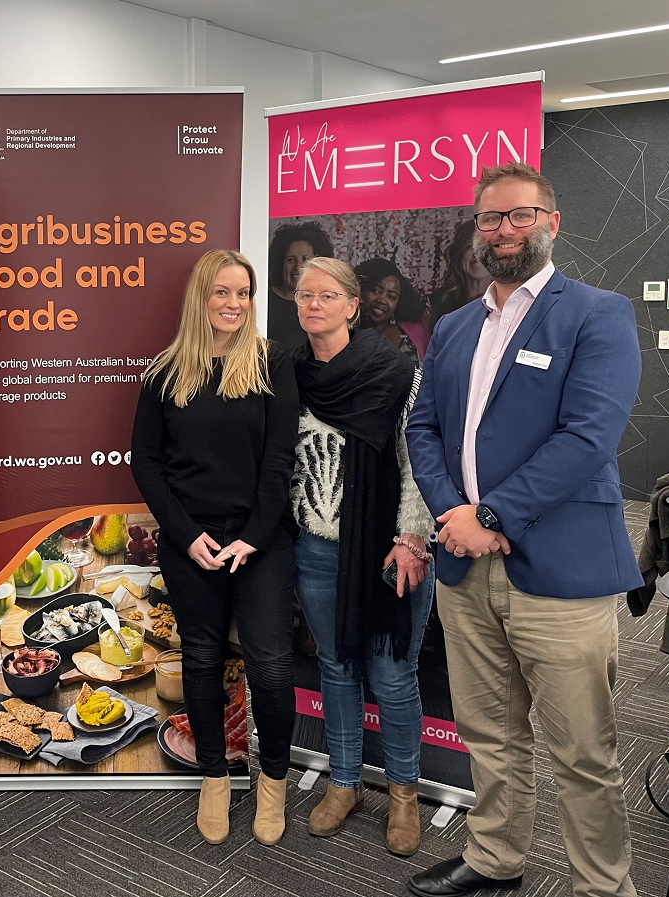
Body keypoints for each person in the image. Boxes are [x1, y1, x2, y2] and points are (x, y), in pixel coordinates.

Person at [406, 162, 642, 897]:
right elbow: (424, 427)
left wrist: (490, 515)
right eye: (490, 219)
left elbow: (587, 438)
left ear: (551, 222)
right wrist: (454, 515)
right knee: (490, 733)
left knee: (583, 750)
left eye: (520, 215)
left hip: (561, 570)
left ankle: (602, 886)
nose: (504, 230)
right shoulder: (453, 325)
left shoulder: (596, 313)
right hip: (464, 567)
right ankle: (495, 856)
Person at [131, 249, 300, 847]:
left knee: (271, 665)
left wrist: (252, 536)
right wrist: (186, 534)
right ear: (200, 297)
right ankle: (214, 777)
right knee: (201, 660)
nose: (234, 304)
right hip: (190, 540)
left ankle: (272, 780)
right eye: (222, 292)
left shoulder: (271, 364)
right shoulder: (163, 373)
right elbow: (146, 463)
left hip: (262, 538)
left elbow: (281, 459)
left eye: (244, 293)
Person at [288, 257, 434, 857]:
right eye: (304, 295)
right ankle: (344, 783)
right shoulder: (289, 374)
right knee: (336, 666)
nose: (313, 304)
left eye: (327, 295)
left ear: (353, 306)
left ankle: (403, 796)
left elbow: (420, 461)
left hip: (386, 549)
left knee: (393, 676)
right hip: (315, 550)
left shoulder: (395, 372)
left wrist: (412, 539)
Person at [267, 220, 335, 350]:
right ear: (280, 264)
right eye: (291, 260)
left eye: (306, 259)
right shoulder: (264, 301)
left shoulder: (326, 301)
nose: (298, 267)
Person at [354, 257, 430, 364]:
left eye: (391, 296)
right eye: (375, 290)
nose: (382, 300)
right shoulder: (342, 332)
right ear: (360, 289)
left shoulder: (414, 334)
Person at [428, 218, 492, 330]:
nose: (476, 254)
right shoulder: (440, 301)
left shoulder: (508, 300)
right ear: (459, 254)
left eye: (483, 247)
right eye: (469, 247)